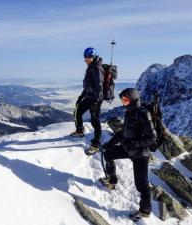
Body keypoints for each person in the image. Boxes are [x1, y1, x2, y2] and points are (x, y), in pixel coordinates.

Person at [100, 88, 157, 220]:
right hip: (129, 149)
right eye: (122, 100)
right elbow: (124, 133)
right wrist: (110, 143)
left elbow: (152, 138)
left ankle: (145, 210)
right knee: (108, 153)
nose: (123, 102)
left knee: (141, 184)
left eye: (125, 99)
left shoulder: (143, 114)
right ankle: (112, 180)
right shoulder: (130, 112)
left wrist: (133, 144)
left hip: (140, 154)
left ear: (132, 99)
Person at [70, 47, 104, 153]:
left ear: (93, 56)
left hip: (95, 99)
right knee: (78, 111)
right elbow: (89, 84)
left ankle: (96, 144)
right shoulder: (91, 67)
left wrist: (96, 99)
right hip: (89, 96)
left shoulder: (97, 68)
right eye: (85, 57)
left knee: (95, 121)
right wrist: (81, 96)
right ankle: (80, 131)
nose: (86, 59)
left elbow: (99, 85)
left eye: (89, 57)